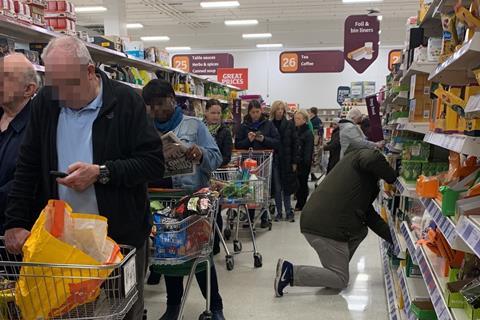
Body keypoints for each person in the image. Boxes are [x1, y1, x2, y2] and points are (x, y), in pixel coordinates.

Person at [3, 36, 165, 320]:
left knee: (124, 311)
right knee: (63, 313)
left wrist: (102, 172)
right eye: (53, 84)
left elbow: (152, 163)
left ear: (90, 71)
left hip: (118, 240)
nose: (60, 93)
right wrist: (15, 221)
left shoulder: (125, 102)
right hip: (60, 242)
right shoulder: (46, 103)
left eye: (67, 83)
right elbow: (27, 165)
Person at [142, 79, 225, 320]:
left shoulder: (195, 125)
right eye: (151, 106)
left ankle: (215, 306)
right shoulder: (146, 128)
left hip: (191, 202)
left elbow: (216, 157)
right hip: (162, 200)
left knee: (201, 255)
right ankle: (173, 306)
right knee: (170, 256)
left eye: (160, 104)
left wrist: (199, 154)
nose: (156, 110)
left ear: (172, 99)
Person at [274, 148, 397, 297]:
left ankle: (333, 270)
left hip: (318, 219)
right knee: (340, 280)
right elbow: (371, 157)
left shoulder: (356, 173)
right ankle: (290, 272)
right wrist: (393, 176)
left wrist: (394, 239)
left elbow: (369, 216)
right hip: (324, 225)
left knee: (361, 231)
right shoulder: (364, 156)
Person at [0, 54, 38, 235]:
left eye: (7, 77)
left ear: (29, 90)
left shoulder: (38, 129)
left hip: (16, 232)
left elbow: (28, 179)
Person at [235, 100, 280, 229]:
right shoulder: (244, 127)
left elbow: (277, 142)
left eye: (257, 112)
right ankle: (249, 218)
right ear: (249, 112)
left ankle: (264, 217)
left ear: (261, 111)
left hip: (264, 163)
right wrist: (247, 140)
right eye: (252, 112)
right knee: (250, 191)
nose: (255, 115)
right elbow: (238, 145)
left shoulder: (268, 125)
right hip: (248, 164)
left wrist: (263, 139)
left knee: (264, 189)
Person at [203, 98, 233, 255]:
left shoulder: (225, 132)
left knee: (216, 211)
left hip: (219, 177)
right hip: (202, 176)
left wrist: (211, 160)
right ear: (205, 112)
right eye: (212, 112)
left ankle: (215, 245)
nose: (215, 116)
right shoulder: (200, 129)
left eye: (218, 113)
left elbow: (227, 156)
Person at [270, 101, 297, 222]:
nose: (280, 111)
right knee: (277, 187)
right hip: (275, 159)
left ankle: (288, 211)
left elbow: (295, 144)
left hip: (286, 160)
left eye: (282, 109)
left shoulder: (289, 125)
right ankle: (279, 212)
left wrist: (294, 162)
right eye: (278, 109)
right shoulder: (269, 125)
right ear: (274, 111)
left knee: (286, 186)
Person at [293, 110, 314, 213]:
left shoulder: (308, 133)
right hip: (297, 162)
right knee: (298, 183)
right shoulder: (296, 130)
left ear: (304, 120)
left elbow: (308, 150)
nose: (296, 120)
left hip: (303, 163)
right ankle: (300, 202)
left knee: (302, 183)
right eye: (295, 118)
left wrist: (304, 162)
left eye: (299, 119)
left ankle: (302, 203)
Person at [308, 107, 323, 181]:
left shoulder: (314, 121)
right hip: (315, 141)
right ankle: (312, 174)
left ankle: (313, 174)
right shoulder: (317, 120)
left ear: (312, 113)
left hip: (314, 142)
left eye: (309, 112)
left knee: (314, 158)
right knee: (314, 159)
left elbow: (318, 132)